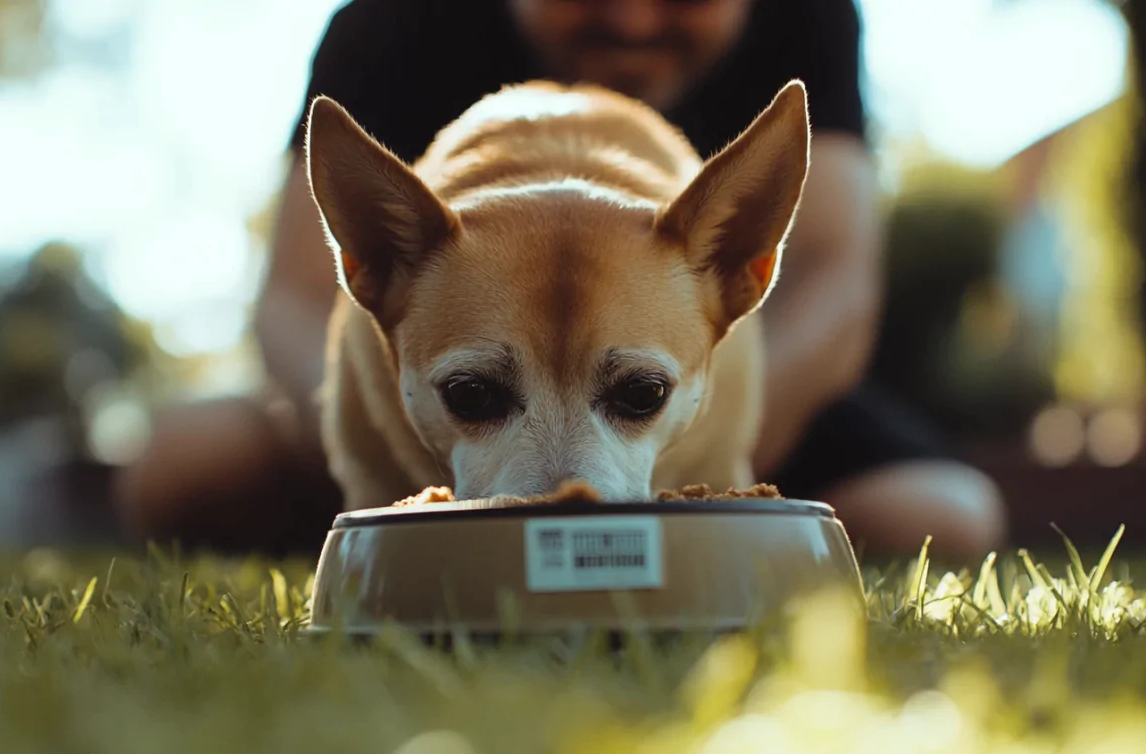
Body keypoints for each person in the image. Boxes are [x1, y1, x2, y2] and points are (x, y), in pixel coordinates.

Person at [117, 0, 1008, 561]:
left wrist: (697, 483)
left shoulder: (806, 20)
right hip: (377, 392)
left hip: (738, 389)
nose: (628, 17)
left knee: (947, 513)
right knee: (183, 465)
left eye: (637, 396)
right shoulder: (388, 27)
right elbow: (292, 300)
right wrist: (380, 471)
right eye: (476, 395)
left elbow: (837, 290)